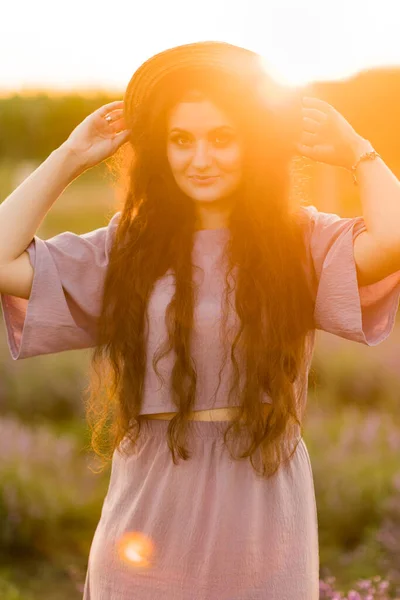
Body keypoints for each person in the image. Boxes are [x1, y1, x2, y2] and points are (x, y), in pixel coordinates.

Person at [1, 41, 400, 600]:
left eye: (222, 138)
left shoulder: (298, 241)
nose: (201, 159)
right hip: (148, 516)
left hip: (263, 516)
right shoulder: (125, 249)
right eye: (181, 141)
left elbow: (392, 240)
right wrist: (70, 156)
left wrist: (359, 152)